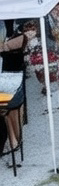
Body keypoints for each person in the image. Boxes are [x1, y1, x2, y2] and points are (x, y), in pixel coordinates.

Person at [0, 21, 26, 165]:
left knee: (9, 107)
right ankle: (13, 141)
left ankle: (13, 140)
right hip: (9, 75)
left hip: (9, 74)